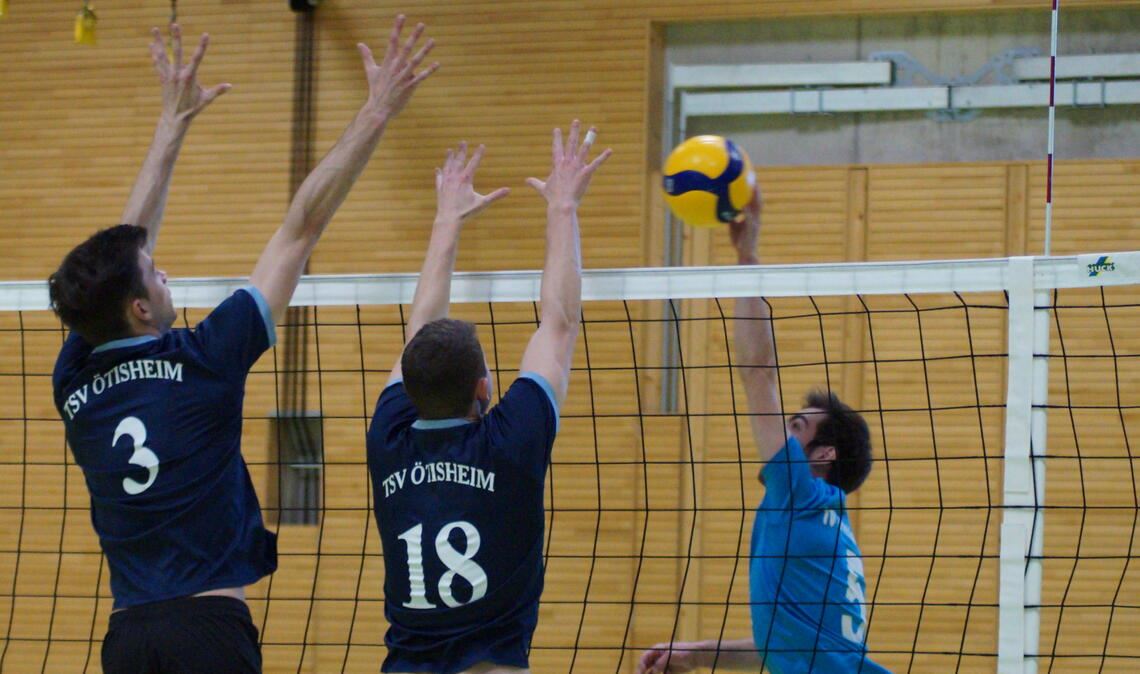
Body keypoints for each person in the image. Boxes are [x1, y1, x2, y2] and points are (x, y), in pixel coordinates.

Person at [49, 17, 436, 673]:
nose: (164, 270)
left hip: (127, 639)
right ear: (140, 308)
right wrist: (376, 111)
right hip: (208, 632)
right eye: (156, 273)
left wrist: (172, 127)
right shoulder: (204, 362)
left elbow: (123, 249)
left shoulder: (75, 376)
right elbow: (301, 227)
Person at [367, 122, 611, 673]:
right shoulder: (511, 440)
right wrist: (562, 207)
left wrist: (445, 218)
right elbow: (559, 322)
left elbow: (418, 331)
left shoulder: (388, 439)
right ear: (484, 388)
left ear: (409, 389)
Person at [636, 186, 890, 674]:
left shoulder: (801, 496)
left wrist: (746, 256)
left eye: (796, 426)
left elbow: (759, 371)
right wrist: (695, 653)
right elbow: (779, 649)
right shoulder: (826, 526)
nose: (780, 432)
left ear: (824, 456)